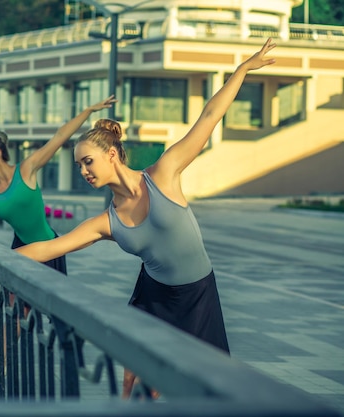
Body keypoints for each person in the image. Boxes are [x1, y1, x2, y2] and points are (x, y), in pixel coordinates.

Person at [15, 38, 277, 398]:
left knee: (208, 388)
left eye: (87, 161)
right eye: (78, 166)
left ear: (111, 154)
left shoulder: (164, 174)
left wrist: (243, 69)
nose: (83, 171)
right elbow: (50, 247)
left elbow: (210, 116)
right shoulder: (107, 222)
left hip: (197, 294)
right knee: (134, 381)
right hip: (154, 295)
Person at [0, 95, 116, 278]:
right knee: (17, 305)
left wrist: (88, 110)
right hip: (20, 248)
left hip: (48, 249)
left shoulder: (26, 170)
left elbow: (59, 137)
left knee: (46, 305)